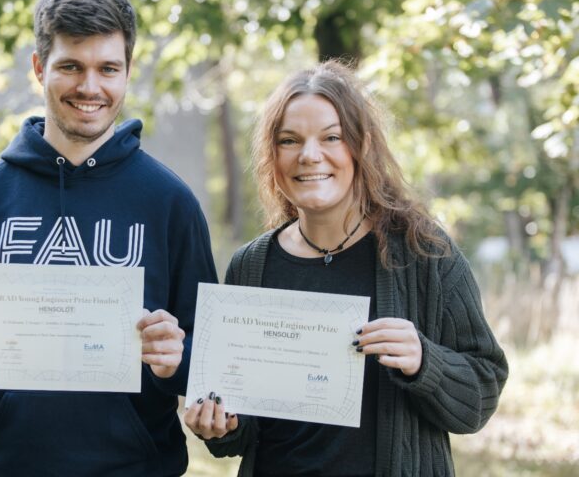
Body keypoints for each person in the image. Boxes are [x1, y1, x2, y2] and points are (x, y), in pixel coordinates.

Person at [0, 0, 217, 477]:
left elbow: (208, 362)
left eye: (108, 69)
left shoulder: (171, 203)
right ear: (39, 68)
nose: (90, 87)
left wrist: (175, 359)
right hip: (9, 466)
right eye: (71, 67)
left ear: (127, 73)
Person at [183, 60, 508, 476]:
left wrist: (425, 360)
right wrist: (220, 427)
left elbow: (480, 397)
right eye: (289, 140)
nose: (309, 155)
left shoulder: (423, 251)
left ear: (362, 146)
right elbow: (246, 429)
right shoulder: (251, 264)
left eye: (331, 137)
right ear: (273, 156)